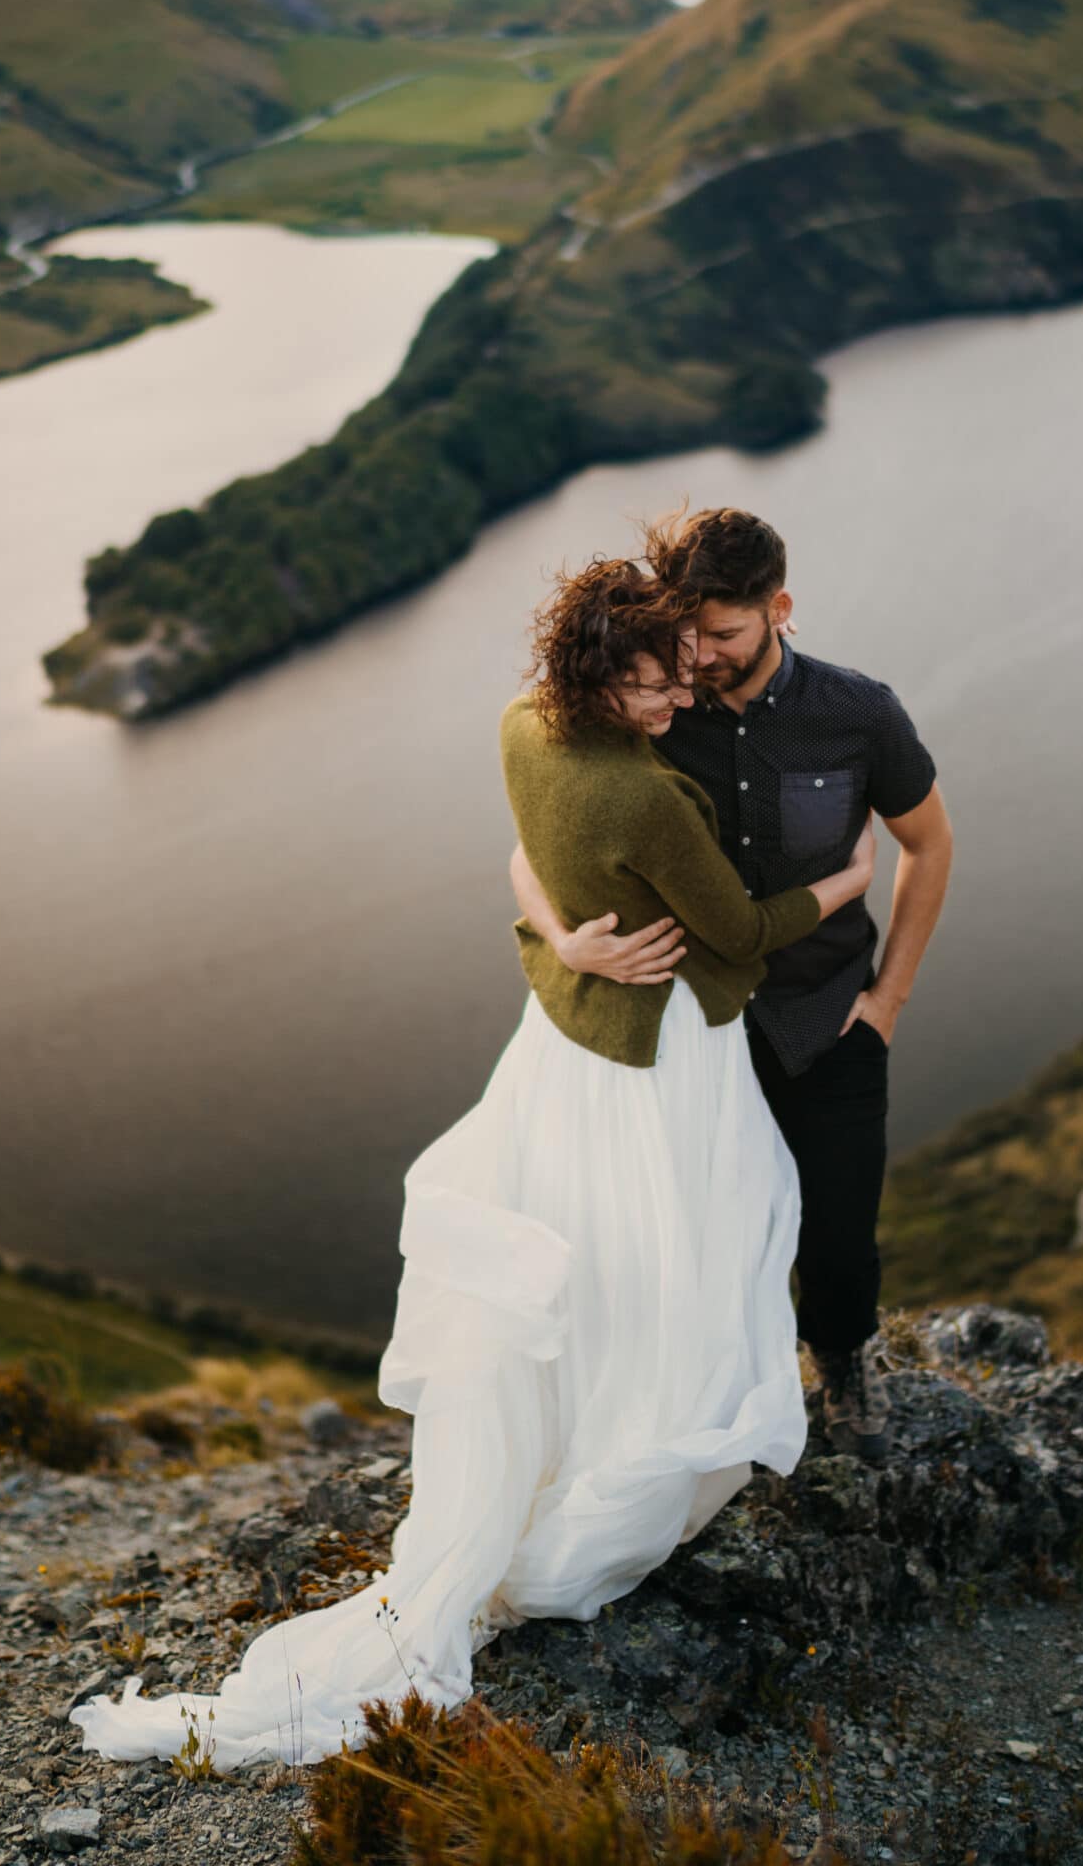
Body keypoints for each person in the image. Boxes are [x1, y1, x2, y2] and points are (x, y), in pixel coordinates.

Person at [68, 554, 876, 1773]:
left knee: (588, 1246)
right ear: (600, 676)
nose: (677, 697)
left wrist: (563, 943)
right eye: (655, 683)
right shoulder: (648, 797)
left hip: (566, 1047)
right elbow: (741, 932)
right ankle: (632, 1441)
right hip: (664, 1056)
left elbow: (526, 866)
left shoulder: (521, 725)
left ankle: (578, 1430)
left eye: (680, 674)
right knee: (694, 1233)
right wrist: (847, 881)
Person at [512, 507, 952, 1464]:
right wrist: (564, 943)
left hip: (827, 1019)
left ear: (777, 610)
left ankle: (841, 1367)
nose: (700, 658)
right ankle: (714, 1402)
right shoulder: (646, 706)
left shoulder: (858, 712)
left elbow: (928, 846)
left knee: (838, 1231)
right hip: (695, 1036)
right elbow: (538, 841)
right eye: (688, 635)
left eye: (722, 634)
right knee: (697, 1237)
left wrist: (886, 1003)